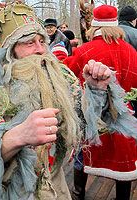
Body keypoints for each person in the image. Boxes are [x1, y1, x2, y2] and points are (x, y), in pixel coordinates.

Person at [0, 2, 137, 199]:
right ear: (9, 50)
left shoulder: (57, 77)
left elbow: (83, 122)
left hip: (57, 191)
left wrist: (96, 91)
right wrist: (16, 137)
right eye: (29, 43)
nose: (40, 49)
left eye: (42, 41)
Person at [64, 5, 137, 200]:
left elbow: (67, 72)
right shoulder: (131, 51)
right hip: (124, 117)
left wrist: (61, 53)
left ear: (94, 26)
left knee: (83, 156)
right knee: (124, 165)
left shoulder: (84, 50)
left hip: (91, 115)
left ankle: (78, 194)